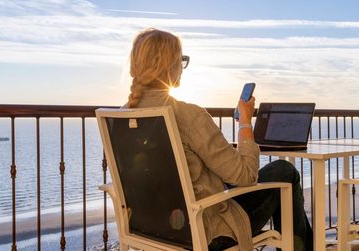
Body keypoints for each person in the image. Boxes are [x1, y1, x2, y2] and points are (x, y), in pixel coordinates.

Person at [125, 28, 313, 251]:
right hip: (206, 231)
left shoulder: (122, 117)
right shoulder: (187, 115)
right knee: (284, 171)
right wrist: (245, 122)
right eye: (181, 60)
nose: (182, 68)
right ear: (171, 66)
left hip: (151, 230)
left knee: (229, 179)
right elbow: (245, 176)